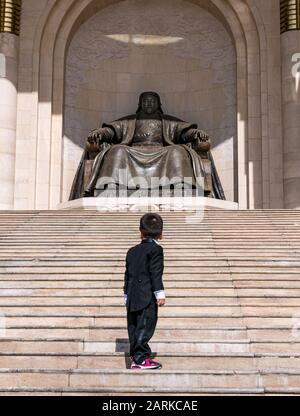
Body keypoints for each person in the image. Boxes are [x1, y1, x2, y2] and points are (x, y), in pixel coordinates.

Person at [123, 213, 166, 370]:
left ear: (140, 231)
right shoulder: (156, 249)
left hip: (133, 295)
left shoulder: (132, 251)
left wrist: (126, 294)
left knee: (134, 326)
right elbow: (155, 273)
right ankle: (141, 359)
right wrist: (159, 293)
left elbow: (128, 274)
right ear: (161, 233)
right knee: (145, 326)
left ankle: (136, 356)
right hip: (146, 295)